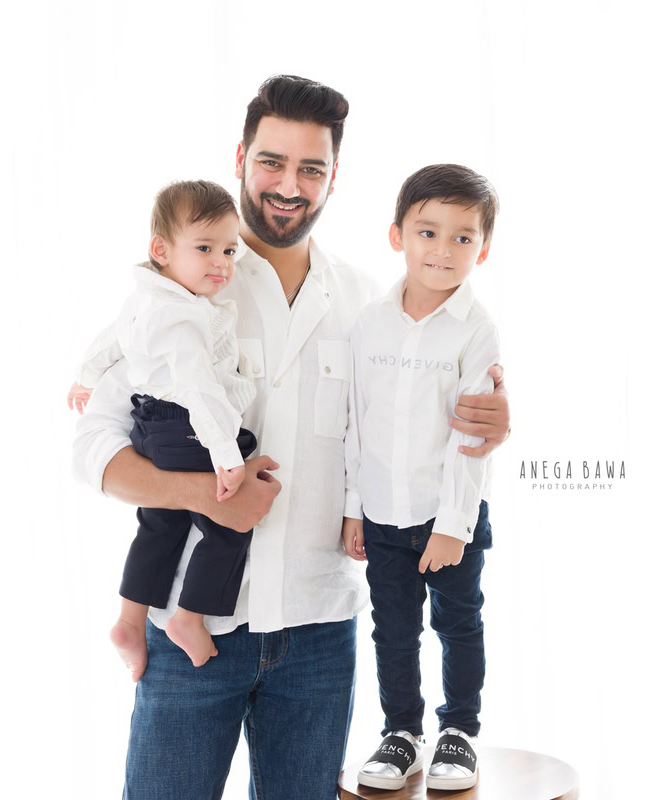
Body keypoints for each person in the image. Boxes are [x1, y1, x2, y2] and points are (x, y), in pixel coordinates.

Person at [72, 75, 511, 800]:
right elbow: (95, 450)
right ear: (239, 159)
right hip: (192, 631)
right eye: (271, 162)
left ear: (334, 177)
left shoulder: (370, 304)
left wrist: (492, 416)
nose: (289, 185)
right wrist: (204, 495)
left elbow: (420, 415)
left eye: (311, 168)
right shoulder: (188, 285)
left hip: (318, 638)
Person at [342, 164, 501, 792]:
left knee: (458, 624)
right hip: (382, 512)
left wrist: (454, 525)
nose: (443, 249)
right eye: (427, 232)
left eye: (463, 237)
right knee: (393, 628)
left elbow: (473, 436)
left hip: (447, 514)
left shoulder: (476, 330)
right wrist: (353, 508)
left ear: (482, 248)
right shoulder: (370, 323)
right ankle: (402, 733)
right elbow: (357, 419)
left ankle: (459, 731)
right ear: (397, 236)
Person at [67, 180, 258, 674]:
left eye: (229, 250)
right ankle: (189, 618)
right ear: (161, 250)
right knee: (229, 523)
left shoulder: (145, 298)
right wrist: (227, 456)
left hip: (149, 424)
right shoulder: (184, 317)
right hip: (186, 427)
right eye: (204, 248)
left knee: (161, 522)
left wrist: (85, 377)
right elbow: (199, 389)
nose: (221, 263)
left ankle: (129, 621)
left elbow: (111, 340)